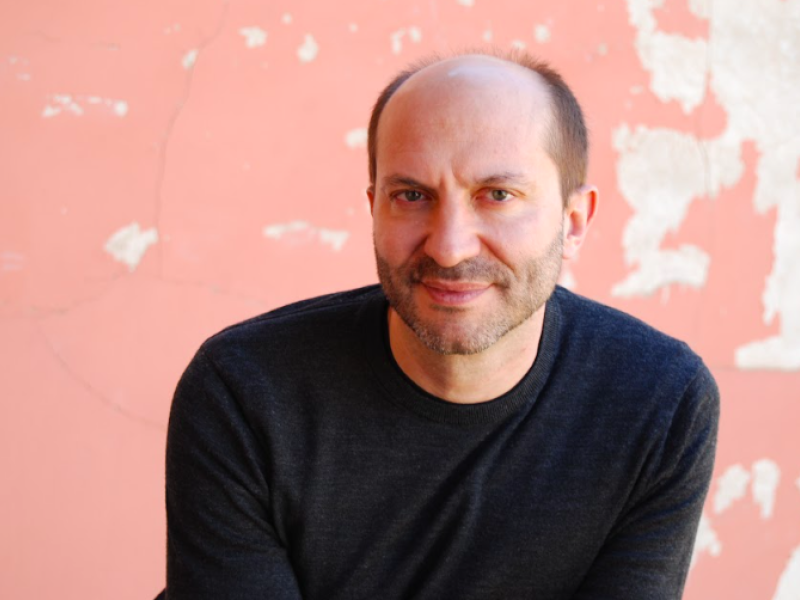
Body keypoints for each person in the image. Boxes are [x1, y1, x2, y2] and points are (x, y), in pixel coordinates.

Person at [159, 50, 719, 600]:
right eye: (411, 196)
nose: (449, 248)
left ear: (573, 222)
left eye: (497, 195)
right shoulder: (246, 392)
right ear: (374, 209)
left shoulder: (658, 401)